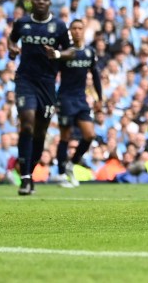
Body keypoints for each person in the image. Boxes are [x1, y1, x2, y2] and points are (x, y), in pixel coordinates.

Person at [8, 0, 67, 196]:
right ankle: (24, 177)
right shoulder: (22, 23)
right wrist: (12, 49)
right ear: (31, 2)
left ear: (49, 3)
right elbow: (12, 39)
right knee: (27, 123)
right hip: (25, 80)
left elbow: (70, 51)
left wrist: (57, 53)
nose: (41, 1)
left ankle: (29, 173)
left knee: (40, 132)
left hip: (48, 83)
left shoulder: (59, 26)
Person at [47, 19, 102, 189]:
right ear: (70, 32)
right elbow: (52, 74)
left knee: (90, 135)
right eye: (74, 28)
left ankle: (72, 164)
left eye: (80, 28)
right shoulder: (65, 53)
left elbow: (96, 75)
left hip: (81, 99)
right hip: (65, 98)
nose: (77, 31)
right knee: (65, 136)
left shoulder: (90, 52)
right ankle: (61, 173)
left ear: (84, 31)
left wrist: (100, 99)